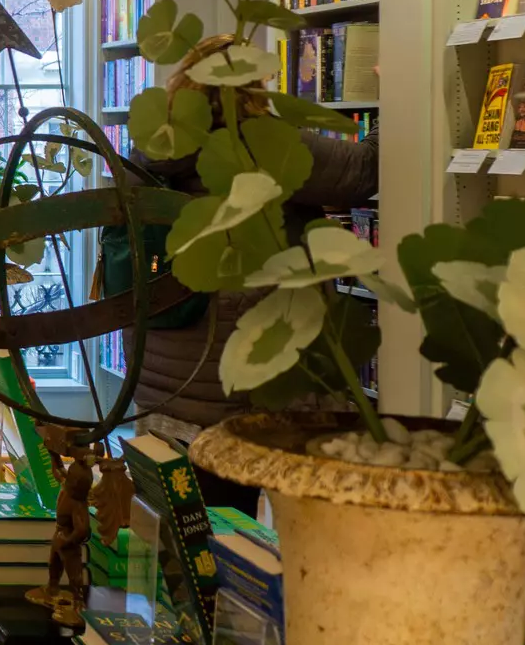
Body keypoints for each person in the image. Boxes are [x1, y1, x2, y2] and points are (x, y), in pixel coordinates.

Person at [116, 35, 378, 507]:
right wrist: (394, 92)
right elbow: (364, 171)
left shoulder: (150, 151)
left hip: (166, 380)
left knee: (192, 531)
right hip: (244, 388)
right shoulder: (262, 146)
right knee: (262, 538)